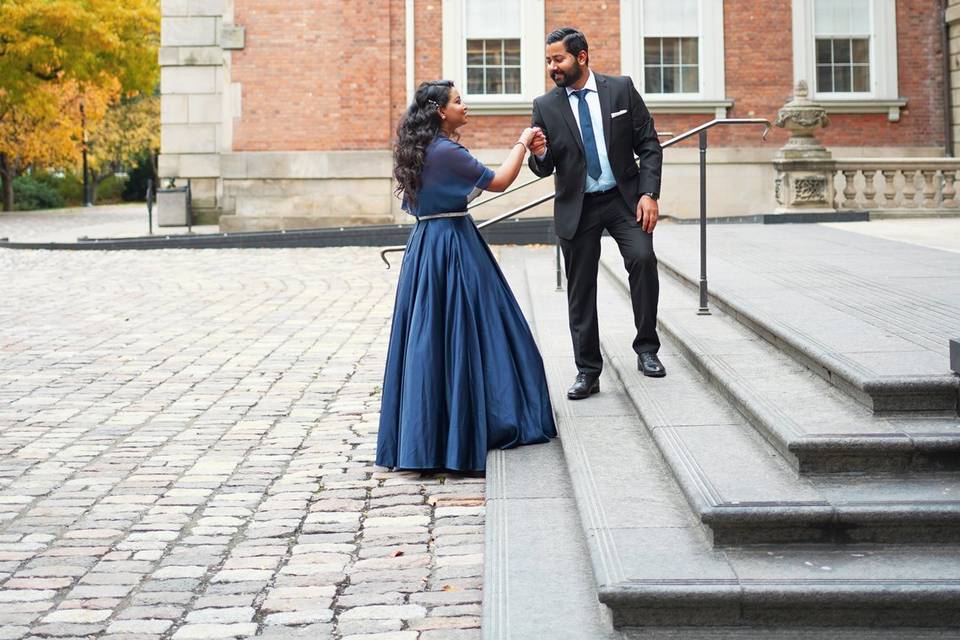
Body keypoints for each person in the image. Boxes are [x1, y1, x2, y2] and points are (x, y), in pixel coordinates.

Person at [376, 80, 557, 473]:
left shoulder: (420, 149)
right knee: (475, 331)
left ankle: (431, 434)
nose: (466, 105)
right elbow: (499, 182)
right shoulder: (447, 150)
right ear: (441, 111)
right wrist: (523, 142)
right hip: (454, 247)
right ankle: (473, 425)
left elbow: (451, 195)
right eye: (459, 101)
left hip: (426, 245)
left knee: (431, 338)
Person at [528, 27, 666, 401]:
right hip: (579, 206)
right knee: (581, 288)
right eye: (548, 61)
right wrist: (539, 154)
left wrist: (648, 193)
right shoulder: (545, 105)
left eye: (559, 59)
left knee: (642, 259)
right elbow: (544, 165)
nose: (552, 67)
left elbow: (649, 145)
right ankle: (587, 371)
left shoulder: (620, 89)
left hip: (624, 199)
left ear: (582, 57)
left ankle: (647, 349)